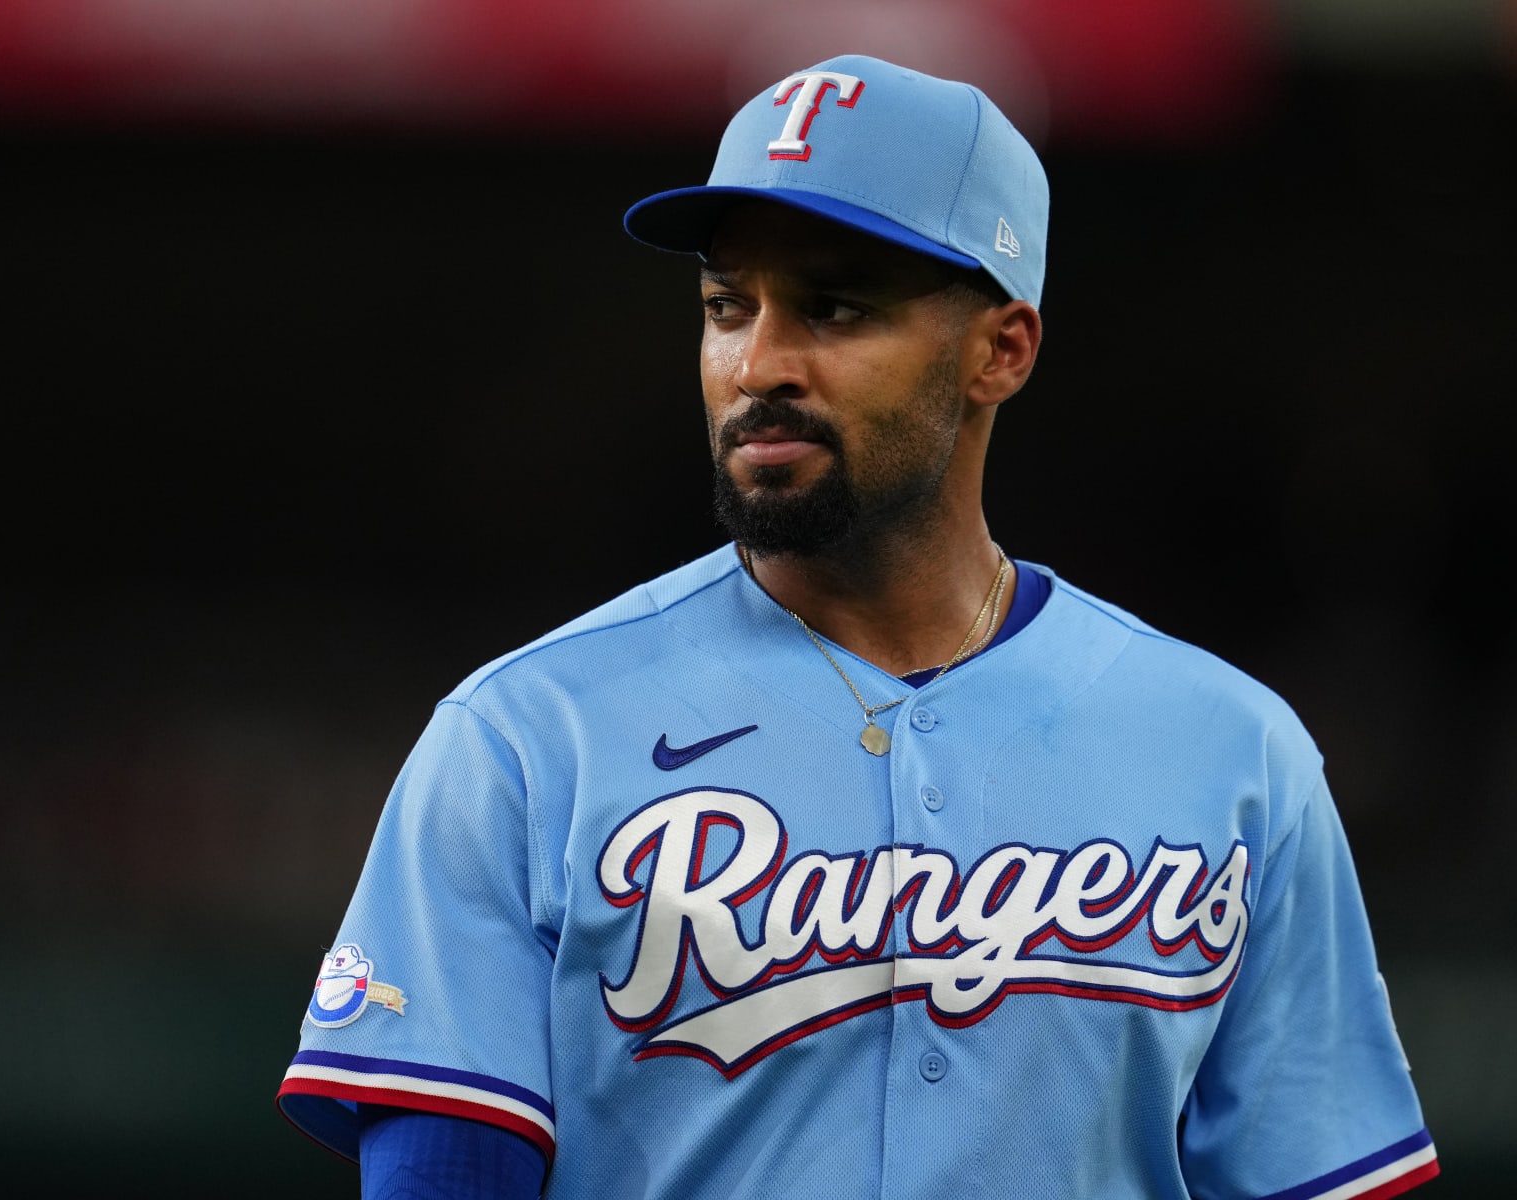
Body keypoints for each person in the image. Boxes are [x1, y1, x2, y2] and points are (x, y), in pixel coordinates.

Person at [278, 54, 1438, 1199]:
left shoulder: (1233, 754)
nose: (759, 363)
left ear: (1003, 349)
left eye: (834, 307)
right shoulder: (525, 743)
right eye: (728, 306)